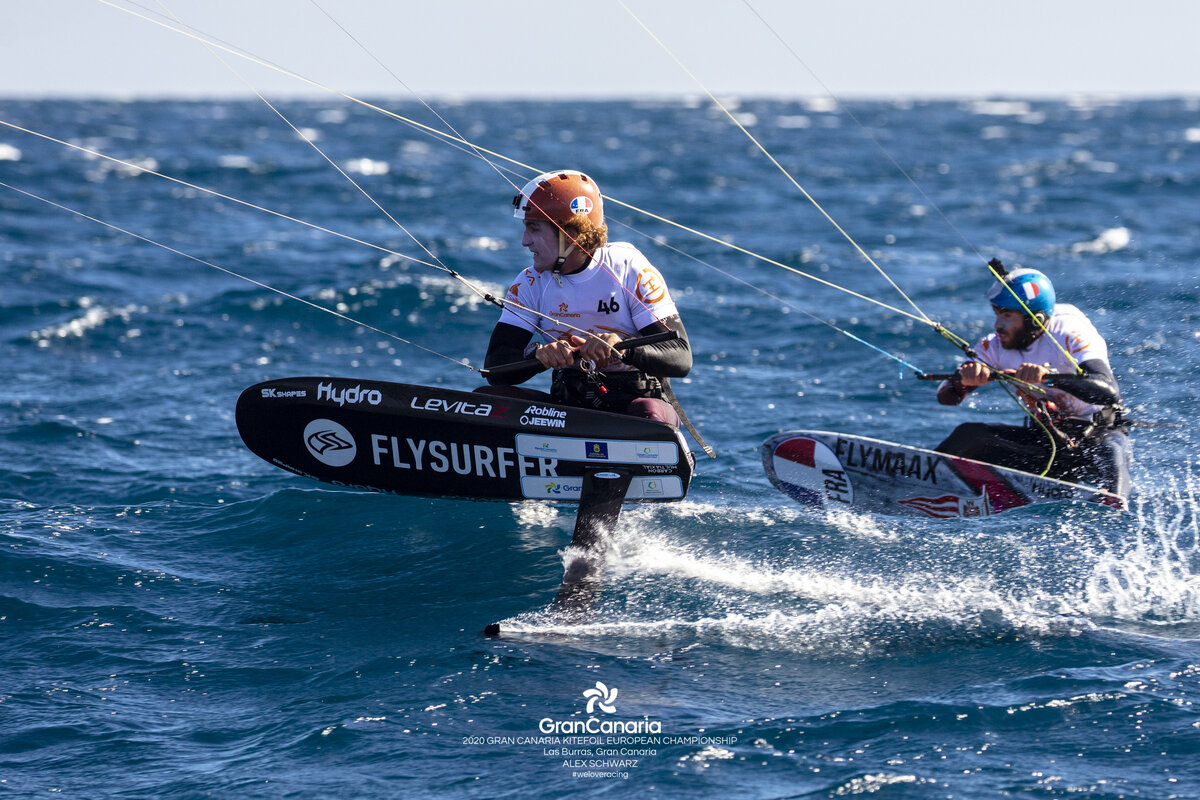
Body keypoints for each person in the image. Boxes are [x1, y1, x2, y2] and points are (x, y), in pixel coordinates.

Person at [476, 169, 692, 427]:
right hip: (569, 406)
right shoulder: (529, 282)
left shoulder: (627, 268)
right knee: (483, 402)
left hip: (638, 403)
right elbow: (495, 370)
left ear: (570, 234)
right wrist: (540, 357)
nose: (524, 241)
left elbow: (680, 358)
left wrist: (622, 348)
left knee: (648, 413)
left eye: (533, 229)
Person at [934, 262, 1131, 498]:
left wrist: (1048, 379)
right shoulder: (994, 345)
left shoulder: (1070, 333)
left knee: (1113, 452)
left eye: (1007, 316)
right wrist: (963, 381)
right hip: (1046, 443)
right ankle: (917, 484)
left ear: (1034, 319)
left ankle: (1113, 509)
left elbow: (1109, 392)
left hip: (1096, 436)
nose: (998, 325)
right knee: (968, 435)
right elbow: (945, 396)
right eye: (997, 315)